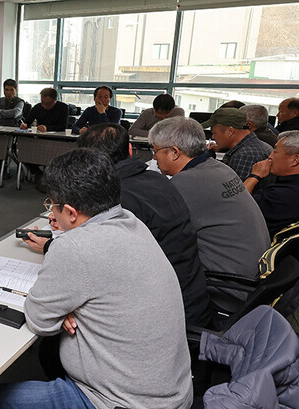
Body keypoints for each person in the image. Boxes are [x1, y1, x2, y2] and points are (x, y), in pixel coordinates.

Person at [0, 148, 192, 409]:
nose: (50, 214)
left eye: (54, 206)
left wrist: (63, 301)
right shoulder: (129, 220)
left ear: (72, 213)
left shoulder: (75, 248)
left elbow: (40, 320)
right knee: (50, 358)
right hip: (171, 399)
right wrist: (73, 304)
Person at [74, 124, 211, 327]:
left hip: (164, 311)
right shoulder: (158, 179)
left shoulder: (118, 198)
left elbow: (99, 265)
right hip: (192, 293)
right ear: (129, 150)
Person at [148, 117, 270, 308]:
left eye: (155, 151)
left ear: (174, 152)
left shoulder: (184, 184)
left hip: (228, 288)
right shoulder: (221, 168)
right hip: (255, 276)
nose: (154, 158)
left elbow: (155, 233)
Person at [245, 131, 299, 235]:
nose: (270, 156)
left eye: (275, 151)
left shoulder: (284, 195)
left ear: (295, 160)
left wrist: (254, 176)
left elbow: (236, 209)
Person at [204, 107, 273, 180]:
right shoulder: (255, 146)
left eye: (214, 133)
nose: (213, 137)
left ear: (230, 131)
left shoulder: (244, 155)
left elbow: (233, 190)